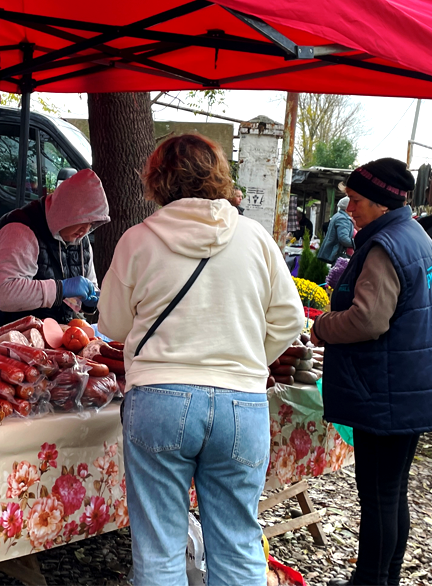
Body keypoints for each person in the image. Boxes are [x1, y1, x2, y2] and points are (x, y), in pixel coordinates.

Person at [97, 133, 304, 586]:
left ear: (156, 180)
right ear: (218, 175)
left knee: (158, 547)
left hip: (160, 398)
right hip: (242, 403)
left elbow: (110, 325)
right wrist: (252, 360)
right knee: (237, 542)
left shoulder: (138, 240)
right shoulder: (255, 238)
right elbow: (290, 319)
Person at [309, 158, 432, 586]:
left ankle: (371, 581)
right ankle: (384, 578)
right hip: (410, 382)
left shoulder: (384, 246)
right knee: (392, 491)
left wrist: (321, 325)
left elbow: (367, 320)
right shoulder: (412, 233)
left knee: (379, 494)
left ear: (381, 203)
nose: (349, 206)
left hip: (389, 388)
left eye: (356, 199)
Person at [0, 168, 109, 331]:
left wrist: (87, 301)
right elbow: (4, 294)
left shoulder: (81, 241)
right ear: (65, 211)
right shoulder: (20, 230)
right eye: (82, 220)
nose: (85, 230)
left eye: (92, 224)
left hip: (40, 333)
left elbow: (85, 288)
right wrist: (60, 289)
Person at [317, 196, 355, 264]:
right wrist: (357, 243)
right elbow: (344, 239)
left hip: (335, 254)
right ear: (347, 208)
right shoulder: (343, 219)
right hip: (337, 254)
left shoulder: (338, 216)